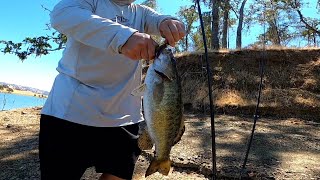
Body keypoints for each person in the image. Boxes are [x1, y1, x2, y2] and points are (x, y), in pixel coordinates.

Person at [38, 0, 186, 180]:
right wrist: (124, 37)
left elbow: (158, 19)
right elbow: (61, 15)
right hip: (69, 113)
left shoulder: (142, 13)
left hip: (123, 118)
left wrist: (169, 22)